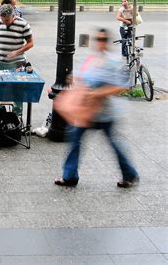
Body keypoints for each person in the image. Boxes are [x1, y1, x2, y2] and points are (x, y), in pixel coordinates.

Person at [54, 28, 139, 188]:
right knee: (75, 140)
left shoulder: (113, 61)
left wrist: (97, 93)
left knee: (114, 144)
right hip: (87, 112)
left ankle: (130, 174)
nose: (100, 43)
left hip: (105, 113)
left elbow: (119, 87)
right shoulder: (93, 58)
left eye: (103, 40)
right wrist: (74, 79)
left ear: (107, 42)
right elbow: (83, 77)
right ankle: (70, 176)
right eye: (98, 39)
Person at [0, 4, 33, 115]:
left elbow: (31, 43)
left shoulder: (23, 24)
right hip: (0, 62)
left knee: (17, 88)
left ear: (13, 15)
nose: (5, 22)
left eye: (7, 20)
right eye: (3, 19)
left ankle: (17, 113)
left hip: (17, 62)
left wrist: (17, 52)